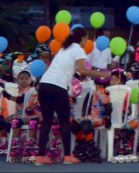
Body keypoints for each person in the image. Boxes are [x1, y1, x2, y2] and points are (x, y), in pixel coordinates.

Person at [31, 24, 111, 166]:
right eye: (86, 38)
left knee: (47, 122)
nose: (87, 42)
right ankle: (67, 157)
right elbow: (82, 70)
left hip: (44, 85)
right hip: (58, 86)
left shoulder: (63, 48)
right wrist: (102, 74)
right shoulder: (78, 49)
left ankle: (40, 157)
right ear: (82, 38)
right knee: (64, 122)